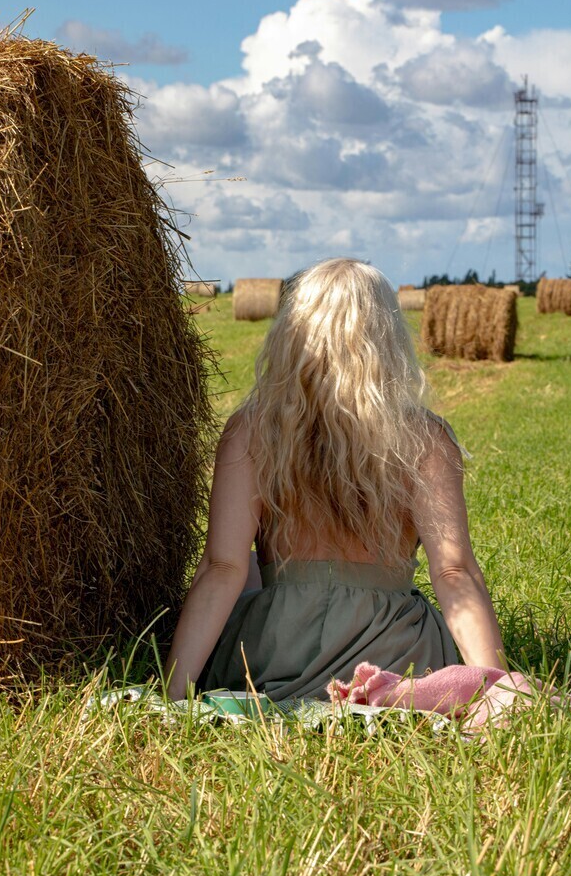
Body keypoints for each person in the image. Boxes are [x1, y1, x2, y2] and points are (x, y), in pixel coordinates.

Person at [163, 258, 507, 703]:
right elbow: (453, 572)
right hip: (396, 652)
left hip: (274, 651)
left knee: (243, 567)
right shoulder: (426, 439)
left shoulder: (250, 431)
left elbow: (221, 568)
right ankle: (382, 692)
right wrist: (500, 688)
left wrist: (173, 692)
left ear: (291, 334)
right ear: (387, 338)